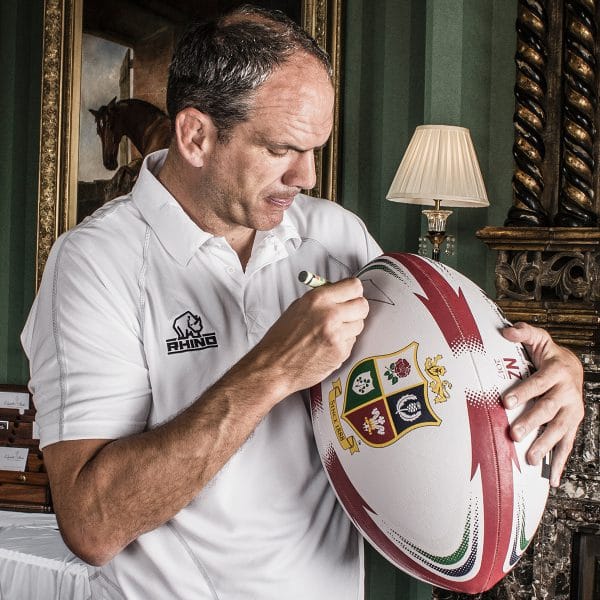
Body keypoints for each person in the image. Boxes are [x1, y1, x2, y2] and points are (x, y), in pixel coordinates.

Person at [21, 6, 584, 600]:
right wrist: (273, 369)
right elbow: (91, 524)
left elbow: (438, 370)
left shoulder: (338, 236)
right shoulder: (93, 264)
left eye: (316, 148)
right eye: (282, 148)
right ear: (195, 136)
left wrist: (547, 371)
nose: (308, 176)